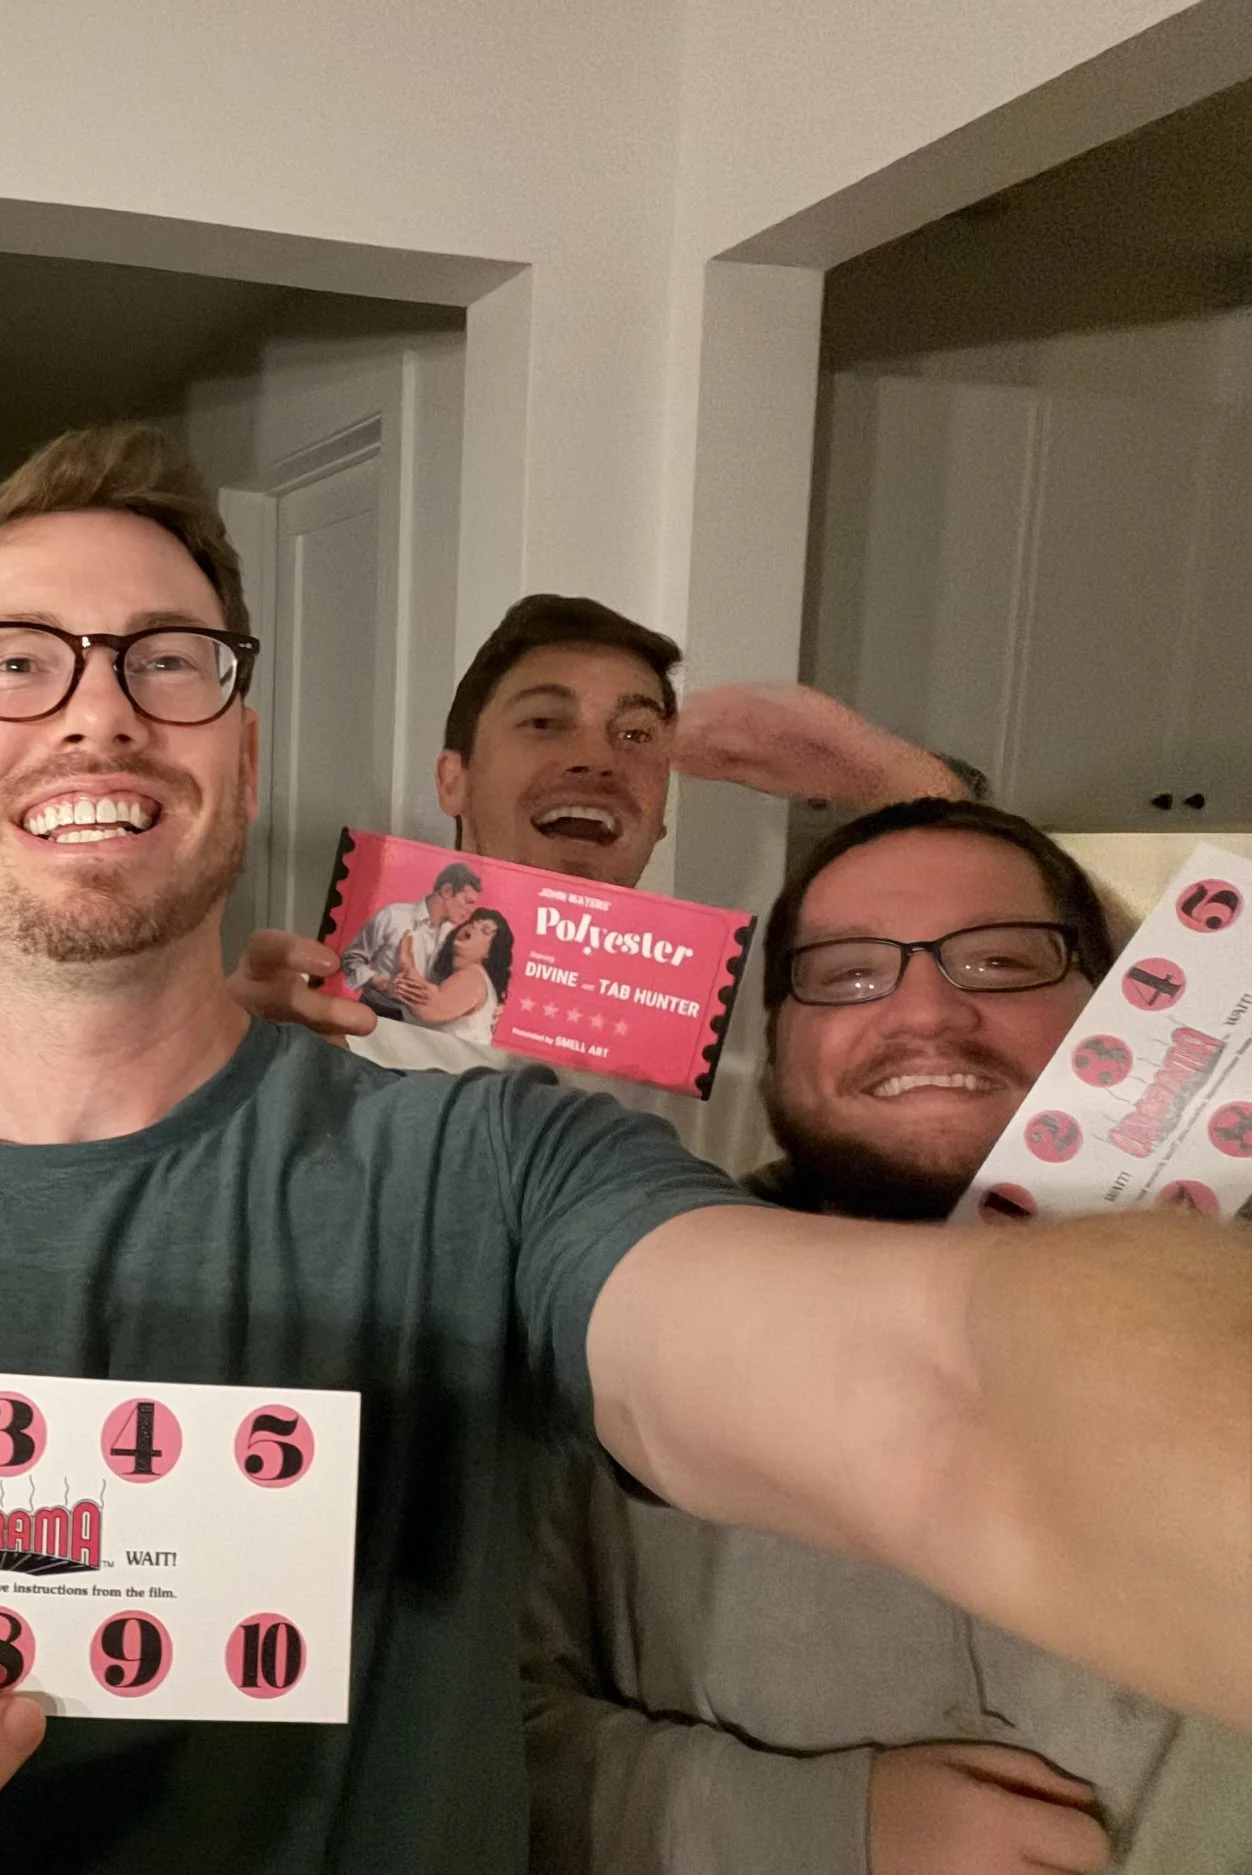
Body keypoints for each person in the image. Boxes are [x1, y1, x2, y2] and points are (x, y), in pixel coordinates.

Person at [0, 425, 1252, 1875]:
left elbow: (944, 1391)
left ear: (241, 743)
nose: (99, 705)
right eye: (13, 661)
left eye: (171, 660)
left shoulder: (494, 1174)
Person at [523, 796, 1252, 1874]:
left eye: (1000, 962)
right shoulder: (603, 1328)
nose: (925, 1012)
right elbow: (482, 1734)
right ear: (775, 1044)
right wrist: (829, 1826)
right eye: (849, 973)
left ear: (1109, 1008)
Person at [231, 593, 979, 1173]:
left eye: (635, 735)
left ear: (661, 812)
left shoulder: (761, 1010)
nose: (597, 760)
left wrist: (893, 778)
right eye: (545, 723)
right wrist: (225, 1073)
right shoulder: (327, 1018)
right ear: (453, 779)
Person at [338, 860, 481, 1018]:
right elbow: (351, 958)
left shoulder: (452, 937)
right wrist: (377, 981)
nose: (471, 910)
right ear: (447, 891)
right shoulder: (393, 916)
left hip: (420, 1022)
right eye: (468, 901)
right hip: (374, 1012)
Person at [400, 906, 513, 1045]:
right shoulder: (463, 977)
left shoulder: (473, 977)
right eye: (474, 922)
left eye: (485, 931)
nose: (474, 925)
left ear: (490, 953)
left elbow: (429, 1008)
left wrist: (406, 961)